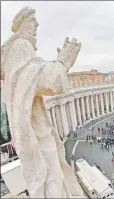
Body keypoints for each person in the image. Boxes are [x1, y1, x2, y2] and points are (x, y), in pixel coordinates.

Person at [1, 6, 83, 198]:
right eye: (32, 20)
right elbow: (41, 79)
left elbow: (34, 74)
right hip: (36, 135)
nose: (37, 24)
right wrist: (63, 62)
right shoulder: (21, 46)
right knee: (51, 178)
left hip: (32, 130)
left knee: (52, 177)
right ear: (21, 24)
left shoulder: (17, 50)